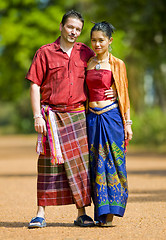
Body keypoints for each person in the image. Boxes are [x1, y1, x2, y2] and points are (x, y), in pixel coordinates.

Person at [25, 11, 116, 228]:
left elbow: (105, 69)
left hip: (78, 116)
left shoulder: (86, 53)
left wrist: (113, 90)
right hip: (52, 117)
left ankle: (82, 213)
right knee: (48, 166)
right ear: (61, 27)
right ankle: (40, 214)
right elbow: (35, 84)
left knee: (81, 167)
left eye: (78, 29)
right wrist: (37, 115)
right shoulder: (45, 53)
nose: (74, 32)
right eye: (70, 27)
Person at [85, 21, 133, 227]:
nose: (97, 44)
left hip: (111, 117)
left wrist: (128, 123)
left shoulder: (117, 64)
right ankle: (100, 212)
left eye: (101, 40)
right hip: (92, 118)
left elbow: (124, 94)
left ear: (109, 41)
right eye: (93, 40)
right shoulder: (87, 63)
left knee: (113, 161)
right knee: (96, 163)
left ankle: (112, 211)